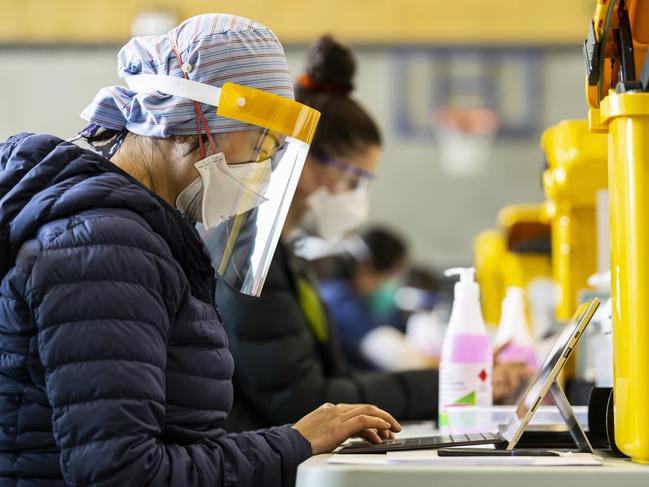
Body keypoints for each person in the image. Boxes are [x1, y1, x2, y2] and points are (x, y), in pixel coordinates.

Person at [0, 15, 402, 487]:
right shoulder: (107, 248)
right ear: (194, 123)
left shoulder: (142, 234)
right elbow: (124, 473)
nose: (263, 169)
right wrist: (296, 441)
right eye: (259, 143)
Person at [214, 35, 533, 433]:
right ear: (307, 160)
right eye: (352, 181)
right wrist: (447, 384)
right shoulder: (248, 253)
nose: (357, 200)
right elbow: (302, 401)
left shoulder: (282, 254)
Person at [317, 226, 437, 371]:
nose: (391, 282)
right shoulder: (340, 301)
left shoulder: (348, 295)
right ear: (368, 266)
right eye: (392, 273)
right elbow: (389, 352)